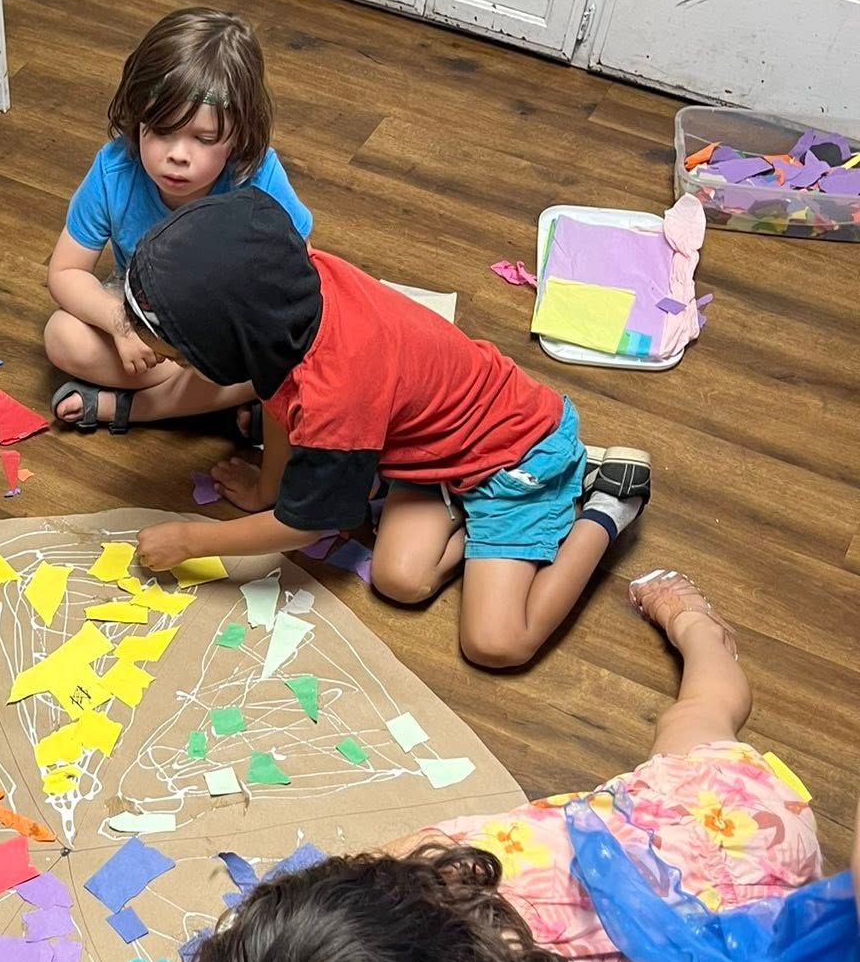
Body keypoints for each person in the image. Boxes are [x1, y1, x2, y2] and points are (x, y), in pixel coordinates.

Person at [98, 571, 821, 962]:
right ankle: (698, 632)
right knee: (699, 713)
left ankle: (700, 627)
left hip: (751, 895)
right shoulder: (407, 865)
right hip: (703, 804)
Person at [123, 187, 652, 668]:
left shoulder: (337, 393)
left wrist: (194, 540)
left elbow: (309, 525)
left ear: (233, 339)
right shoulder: (290, 297)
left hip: (519, 460)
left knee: (496, 643)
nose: (162, 359)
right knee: (400, 579)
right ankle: (502, 523)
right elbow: (282, 402)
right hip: (435, 453)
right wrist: (268, 490)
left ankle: (605, 503)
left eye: (182, 357)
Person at [45, 9, 311, 434]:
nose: (178, 155)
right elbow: (65, 271)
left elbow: (302, 271)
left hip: (227, 327)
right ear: (137, 118)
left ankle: (128, 409)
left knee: (302, 343)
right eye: (162, 131)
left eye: (203, 139)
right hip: (144, 319)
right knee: (61, 335)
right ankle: (242, 397)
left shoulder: (256, 175)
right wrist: (119, 325)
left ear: (240, 136)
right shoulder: (115, 170)